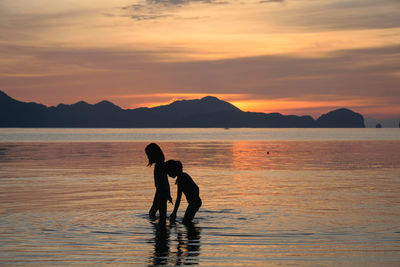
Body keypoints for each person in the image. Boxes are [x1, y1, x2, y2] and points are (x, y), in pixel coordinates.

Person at [165, 160, 202, 224]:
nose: (168, 175)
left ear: (173, 170)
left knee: (185, 222)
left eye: (168, 172)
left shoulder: (182, 178)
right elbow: (179, 198)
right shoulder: (182, 177)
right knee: (186, 222)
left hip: (194, 202)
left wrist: (194, 200)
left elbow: (196, 188)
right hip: (194, 202)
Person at [145, 143, 172, 223]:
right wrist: (168, 194)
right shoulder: (162, 165)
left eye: (148, 155)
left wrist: (157, 198)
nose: (148, 157)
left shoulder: (159, 166)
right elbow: (166, 182)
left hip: (160, 194)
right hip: (162, 193)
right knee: (160, 215)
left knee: (154, 214)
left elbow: (160, 185)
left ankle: (161, 233)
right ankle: (162, 231)